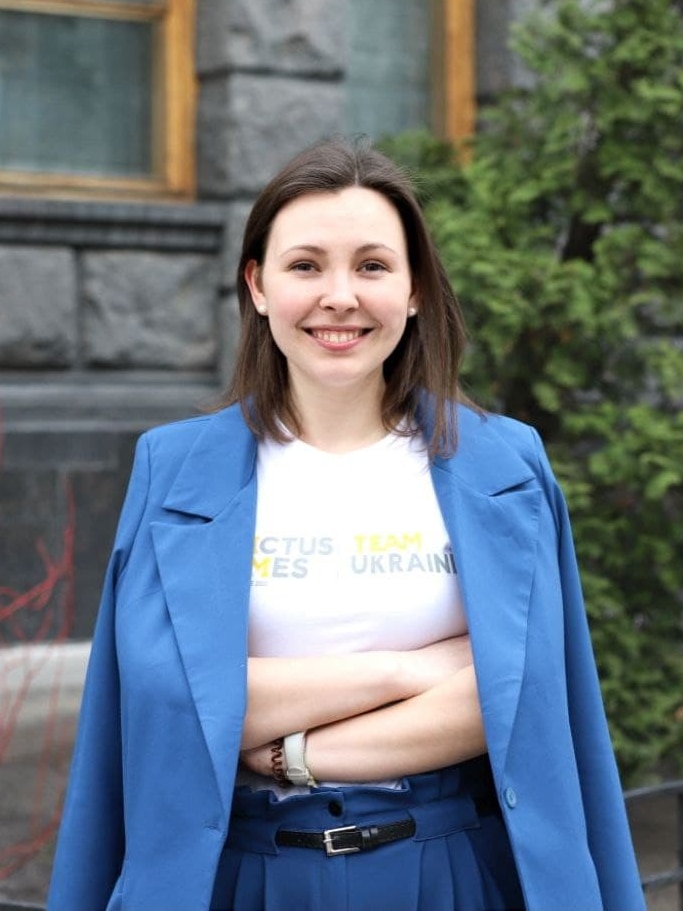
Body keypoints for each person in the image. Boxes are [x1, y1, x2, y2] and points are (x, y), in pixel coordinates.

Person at [47, 137, 645, 911]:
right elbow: (164, 701)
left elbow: (532, 697)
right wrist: (408, 671)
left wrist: (284, 747)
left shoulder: (505, 465)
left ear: (416, 287)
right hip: (241, 877)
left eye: (371, 265)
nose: (340, 296)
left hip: (453, 875)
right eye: (305, 266)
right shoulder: (174, 468)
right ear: (258, 286)